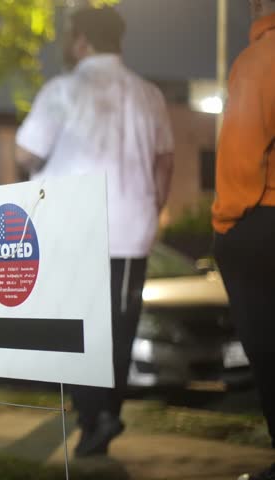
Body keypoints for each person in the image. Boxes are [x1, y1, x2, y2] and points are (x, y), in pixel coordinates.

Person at [15, 6, 174, 457]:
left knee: (75, 328)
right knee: (119, 328)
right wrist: (151, 206)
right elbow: (165, 161)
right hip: (130, 226)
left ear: (81, 39)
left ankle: (94, 417)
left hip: (70, 225)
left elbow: (26, 151)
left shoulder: (63, 91)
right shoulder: (149, 94)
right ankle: (104, 415)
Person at [211, 2, 275, 479]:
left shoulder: (258, 61)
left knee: (269, 352)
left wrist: (224, 225)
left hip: (262, 223)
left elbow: (239, 155)